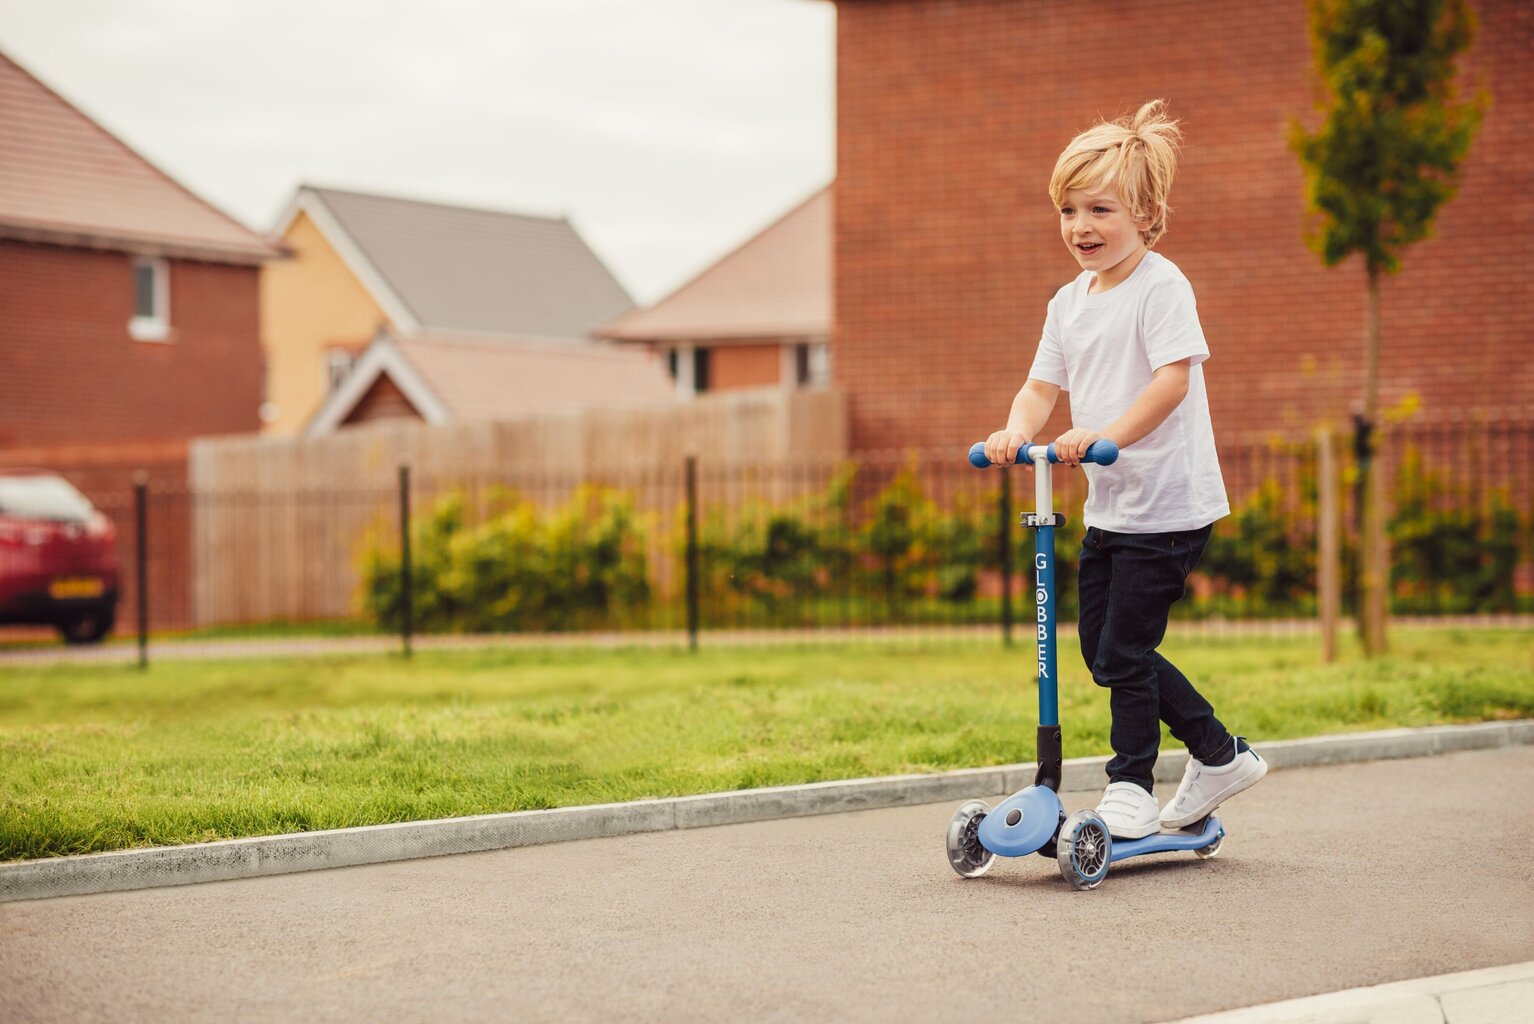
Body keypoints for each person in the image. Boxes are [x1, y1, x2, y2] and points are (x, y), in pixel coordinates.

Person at [982, 99, 1266, 839]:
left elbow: (1172, 380)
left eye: (1101, 209)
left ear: (1146, 214)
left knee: (1124, 651)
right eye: (1069, 210)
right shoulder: (1066, 302)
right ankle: (1217, 753)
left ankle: (1131, 784)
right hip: (1112, 508)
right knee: (1101, 651)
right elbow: (1041, 386)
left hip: (1170, 507)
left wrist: (1103, 433)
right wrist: (1018, 430)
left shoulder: (1161, 286)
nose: (1082, 226)